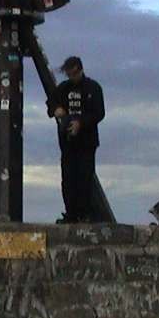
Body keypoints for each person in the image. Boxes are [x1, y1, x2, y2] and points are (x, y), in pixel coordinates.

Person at [48, 56, 105, 223]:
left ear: (80, 70)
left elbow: (99, 113)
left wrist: (81, 123)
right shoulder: (63, 88)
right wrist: (56, 109)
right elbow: (50, 103)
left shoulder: (93, 88)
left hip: (87, 142)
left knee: (85, 178)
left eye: (73, 74)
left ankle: (85, 214)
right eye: (68, 75)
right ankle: (71, 214)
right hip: (68, 143)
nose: (71, 78)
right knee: (68, 180)